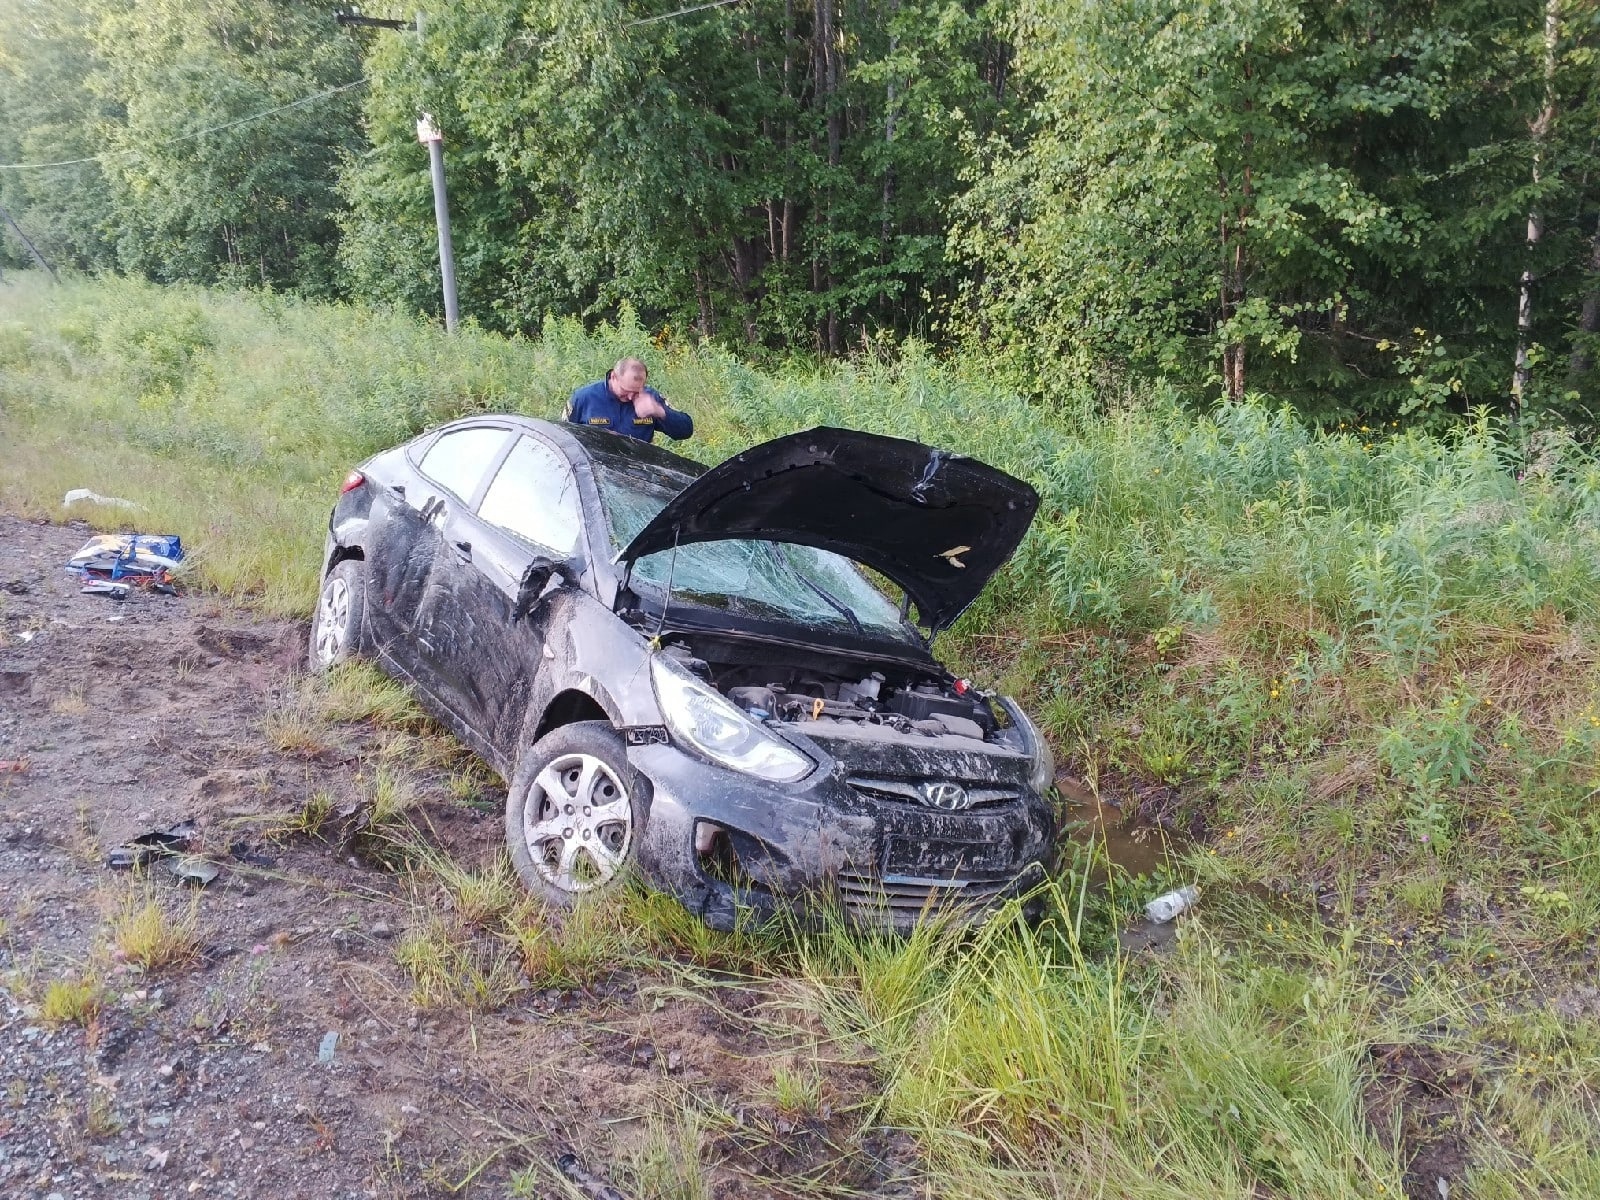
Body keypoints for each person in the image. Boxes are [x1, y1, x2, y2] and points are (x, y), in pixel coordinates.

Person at [565, 357, 693, 444]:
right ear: (613, 377)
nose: (631, 397)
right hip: (594, 470)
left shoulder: (650, 398)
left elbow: (685, 431)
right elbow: (562, 436)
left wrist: (660, 411)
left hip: (637, 472)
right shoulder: (583, 398)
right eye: (626, 391)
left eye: (637, 391)